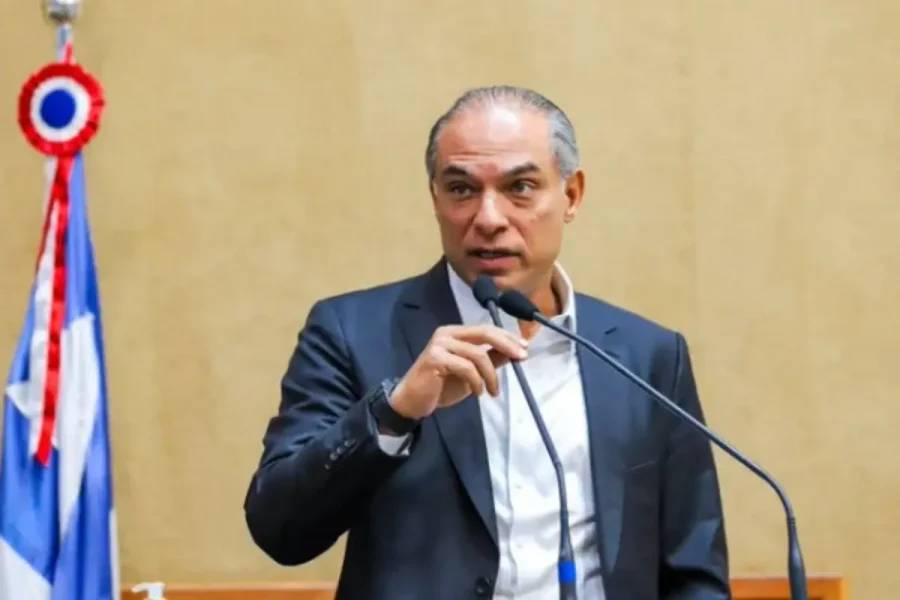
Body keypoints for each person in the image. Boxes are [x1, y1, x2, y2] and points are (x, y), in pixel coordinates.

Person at [243, 85, 731, 600]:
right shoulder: (350, 331)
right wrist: (394, 412)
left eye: (521, 187)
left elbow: (694, 568)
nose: (489, 219)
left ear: (571, 195)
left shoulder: (647, 356)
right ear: (434, 197)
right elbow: (280, 529)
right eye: (461, 189)